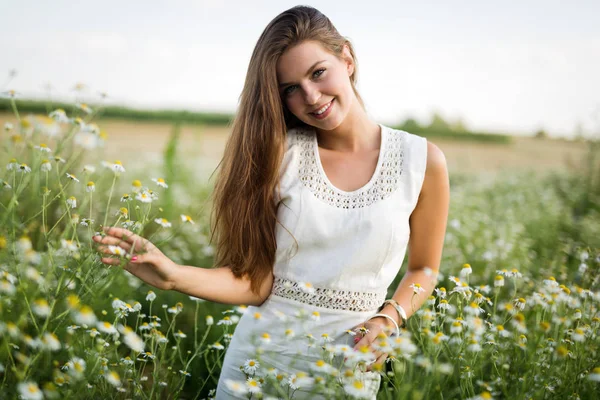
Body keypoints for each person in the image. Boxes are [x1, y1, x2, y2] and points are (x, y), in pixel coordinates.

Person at [92, 5, 449, 399]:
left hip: (348, 371)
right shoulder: (281, 155)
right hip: (257, 366)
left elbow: (424, 269)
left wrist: (389, 319)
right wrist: (172, 275)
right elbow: (256, 284)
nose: (311, 97)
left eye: (317, 73)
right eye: (289, 89)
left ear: (346, 58)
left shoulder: (421, 160)